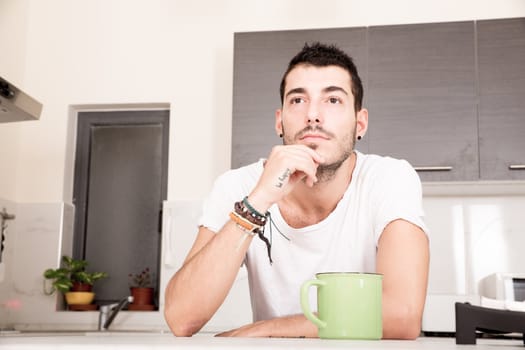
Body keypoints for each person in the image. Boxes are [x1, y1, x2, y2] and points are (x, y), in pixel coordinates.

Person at [164, 42, 430, 339]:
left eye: (333, 100)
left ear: (360, 123)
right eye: (298, 100)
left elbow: (403, 316)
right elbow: (181, 317)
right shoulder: (238, 186)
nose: (313, 115)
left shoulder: (390, 178)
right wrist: (259, 200)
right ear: (280, 121)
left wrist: (268, 329)